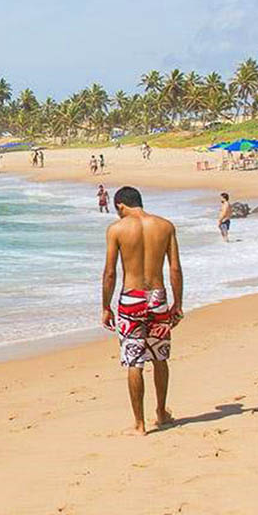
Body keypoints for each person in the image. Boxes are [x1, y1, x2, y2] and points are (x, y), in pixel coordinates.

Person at [101, 187, 183, 436]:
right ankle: (161, 412)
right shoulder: (165, 226)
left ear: (120, 206)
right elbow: (175, 270)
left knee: (134, 360)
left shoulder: (117, 229)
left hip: (131, 298)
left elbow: (110, 273)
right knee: (160, 357)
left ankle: (139, 424)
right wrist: (177, 304)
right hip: (157, 297)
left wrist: (106, 306)